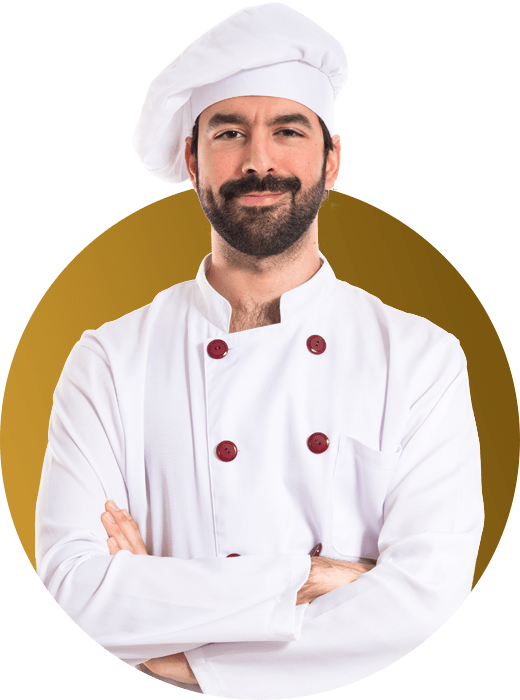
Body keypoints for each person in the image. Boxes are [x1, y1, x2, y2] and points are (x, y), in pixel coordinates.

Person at [35, 4, 484, 698]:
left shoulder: (421, 358)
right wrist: (312, 577)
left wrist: (182, 654)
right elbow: (73, 590)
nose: (259, 161)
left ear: (331, 160)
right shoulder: (108, 362)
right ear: (193, 160)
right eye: (229, 132)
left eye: (288, 130)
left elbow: (429, 601)